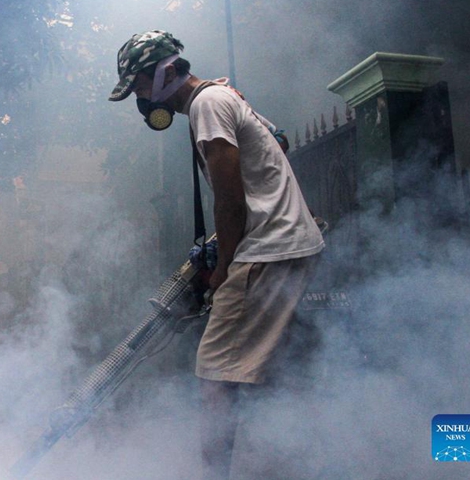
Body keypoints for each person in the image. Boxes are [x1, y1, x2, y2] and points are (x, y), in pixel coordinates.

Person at [109, 30, 325, 479]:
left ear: (165, 72)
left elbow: (228, 200)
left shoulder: (208, 106)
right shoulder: (222, 96)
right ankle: (292, 457)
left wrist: (223, 268)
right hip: (287, 242)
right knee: (267, 364)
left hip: (266, 248)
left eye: (139, 86)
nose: (141, 99)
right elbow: (278, 141)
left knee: (215, 375)